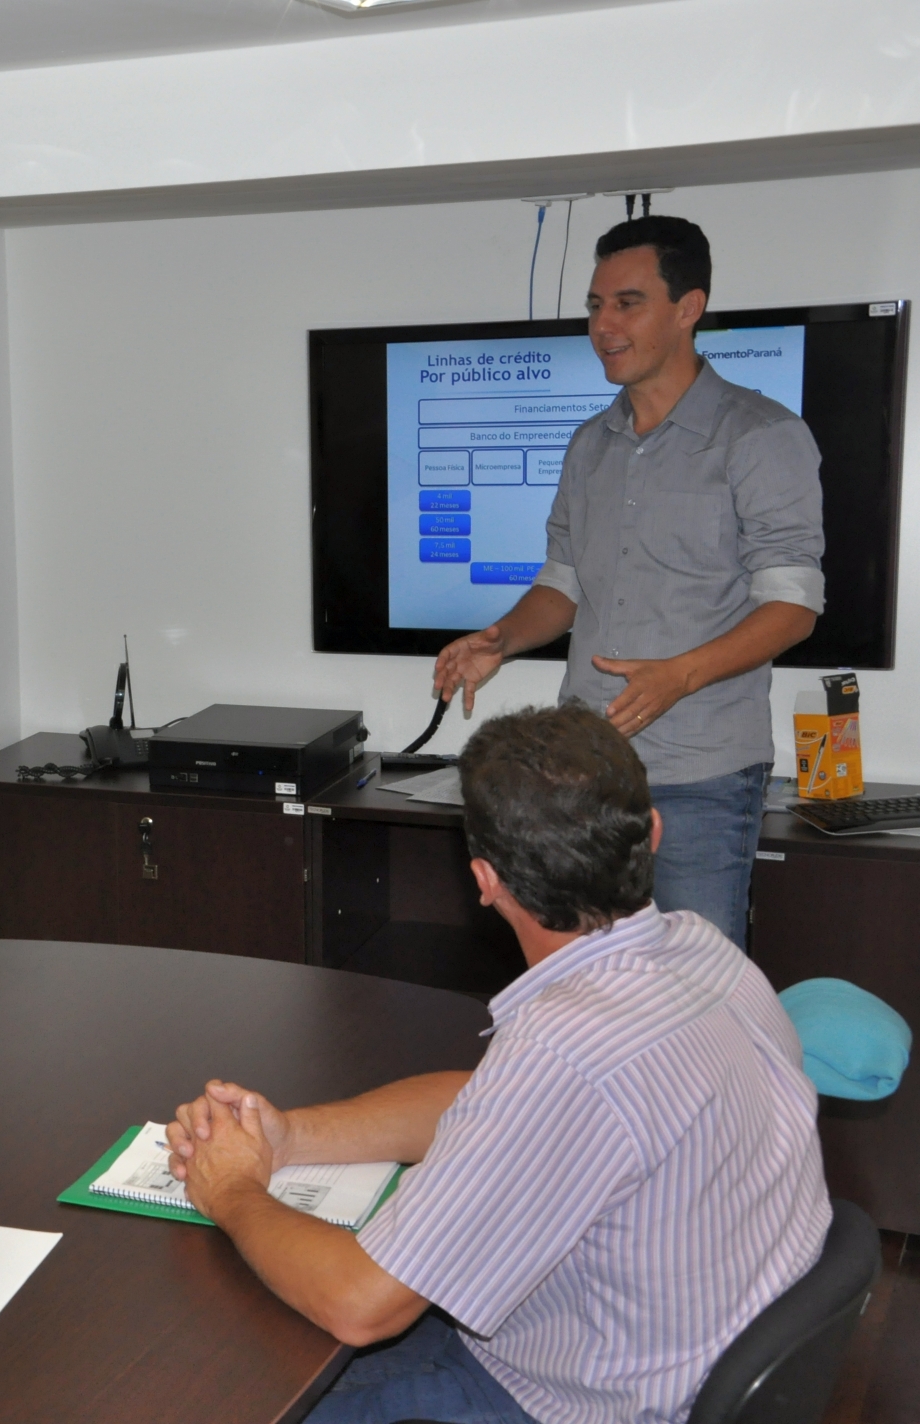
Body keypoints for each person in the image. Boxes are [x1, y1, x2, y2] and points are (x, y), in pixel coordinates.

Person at [167, 704, 829, 1424]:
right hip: (686, 1351)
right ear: (655, 834)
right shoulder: (704, 951)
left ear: (485, 879)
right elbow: (483, 1104)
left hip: (581, 1402)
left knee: (217, 1395)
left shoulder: (565, 1050)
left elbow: (361, 1307)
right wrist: (289, 1137)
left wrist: (231, 1189)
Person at [431, 214, 823, 947]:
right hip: (584, 775)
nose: (604, 325)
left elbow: (794, 604)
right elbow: (564, 581)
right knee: (589, 986)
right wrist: (500, 640)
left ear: (688, 308)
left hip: (701, 774)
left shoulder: (761, 437)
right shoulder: (590, 444)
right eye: (595, 305)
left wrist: (680, 675)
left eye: (627, 302)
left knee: (695, 990)